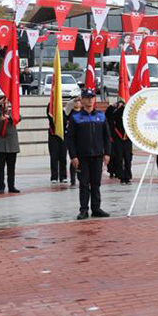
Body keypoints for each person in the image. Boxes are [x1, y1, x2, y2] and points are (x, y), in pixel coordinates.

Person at [66, 89, 111, 220]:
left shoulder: (101, 116)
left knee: (96, 183)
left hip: (97, 155)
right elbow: (70, 139)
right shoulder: (76, 117)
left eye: (92, 97)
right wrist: (73, 156)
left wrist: (107, 153)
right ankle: (84, 210)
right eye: (87, 97)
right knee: (84, 184)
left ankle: (96, 208)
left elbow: (107, 137)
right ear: (83, 100)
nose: (90, 100)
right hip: (82, 156)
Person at [0, 97, 19, 194]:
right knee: (0, 168)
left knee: (11, 168)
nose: (5, 104)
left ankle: (11, 186)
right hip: (1, 144)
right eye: (3, 102)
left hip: (12, 144)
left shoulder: (12, 111)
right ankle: (1, 186)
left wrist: (10, 114)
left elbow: (19, 118)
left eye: (7, 102)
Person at [109, 99, 133, 185]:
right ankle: (121, 177)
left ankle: (128, 177)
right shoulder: (115, 114)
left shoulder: (129, 115)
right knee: (119, 158)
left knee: (128, 158)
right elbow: (110, 119)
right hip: (118, 139)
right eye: (119, 105)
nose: (121, 107)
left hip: (127, 139)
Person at [47, 100, 67, 184]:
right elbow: (49, 116)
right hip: (53, 136)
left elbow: (65, 121)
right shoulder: (50, 107)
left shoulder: (63, 111)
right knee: (54, 157)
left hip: (62, 136)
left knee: (63, 157)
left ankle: (63, 176)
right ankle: (54, 176)